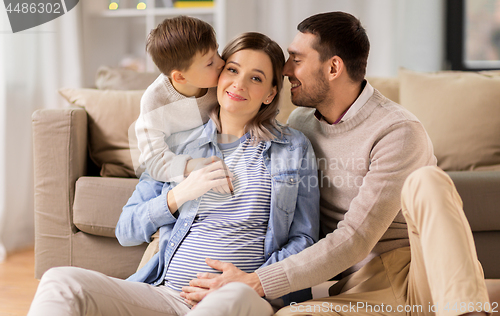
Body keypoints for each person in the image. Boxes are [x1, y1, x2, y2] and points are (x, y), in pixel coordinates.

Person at [180, 12, 491, 316]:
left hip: (420, 279)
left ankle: (468, 312)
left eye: (297, 59)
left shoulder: (398, 130)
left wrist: (256, 281)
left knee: (428, 180)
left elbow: (356, 236)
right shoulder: (300, 126)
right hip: (358, 290)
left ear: (333, 68)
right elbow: (228, 108)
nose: (286, 69)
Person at [27, 32, 320, 316]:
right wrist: (179, 194)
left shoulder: (292, 147)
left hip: (244, 297)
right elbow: (126, 229)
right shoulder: (178, 144)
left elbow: (304, 238)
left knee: (229, 299)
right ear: (219, 76)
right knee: (60, 282)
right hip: (167, 295)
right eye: (232, 69)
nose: (239, 84)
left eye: (255, 78)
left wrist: (251, 281)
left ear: (270, 94)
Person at [135, 15, 225, 183]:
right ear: (181, 78)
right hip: (168, 169)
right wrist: (193, 165)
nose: (222, 63)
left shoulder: (221, 79)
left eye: (218, 52)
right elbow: (154, 161)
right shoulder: (154, 101)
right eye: (210, 63)